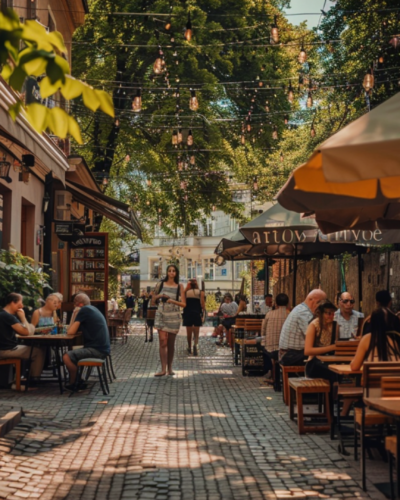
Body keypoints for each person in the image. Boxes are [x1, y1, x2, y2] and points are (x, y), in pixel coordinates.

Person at [64, 293, 110, 390]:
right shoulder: (93, 309)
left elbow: (70, 332)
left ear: (79, 304)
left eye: (74, 304)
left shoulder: (84, 310)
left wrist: (74, 314)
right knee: (74, 354)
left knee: (67, 356)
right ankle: (78, 380)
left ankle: (75, 382)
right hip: (103, 348)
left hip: (97, 350)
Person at [0, 293, 45, 381]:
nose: (22, 306)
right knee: (38, 352)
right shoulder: (8, 317)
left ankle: (24, 378)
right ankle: (33, 380)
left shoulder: (3, 314)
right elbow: (26, 333)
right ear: (13, 302)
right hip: (6, 350)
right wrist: (23, 318)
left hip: (5, 348)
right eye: (20, 303)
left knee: (31, 349)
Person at [152, 265, 186, 377]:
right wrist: (160, 295)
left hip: (173, 316)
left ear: (176, 273)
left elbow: (184, 304)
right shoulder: (160, 284)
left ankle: (170, 368)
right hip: (161, 314)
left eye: (173, 271)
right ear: (167, 272)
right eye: (169, 271)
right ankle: (162, 369)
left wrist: (172, 300)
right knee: (163, 341)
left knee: (171, 343)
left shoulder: (179, 286)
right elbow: (153, 300)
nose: (171, 273)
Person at [279, 289, 327, 366]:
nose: (322, 306)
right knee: (324, 361)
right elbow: (315, 337)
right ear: (311, 299)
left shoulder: (301, 308)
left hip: (291, 353)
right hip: (291, 355)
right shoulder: (303, 312)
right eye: (320, 302)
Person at [350, 307, 400, 373]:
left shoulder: (366, 339)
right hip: (393, 382)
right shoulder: (395, 339)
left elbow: (354, 367)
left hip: (373, 382)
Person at [260, 293, 290, 390]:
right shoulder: (290, 314)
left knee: (272, 356)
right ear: (288, 303)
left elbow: (263, 331)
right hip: (286, 348)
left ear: (276, 303)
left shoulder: (269, 314)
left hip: (271, 348)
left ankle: (274, 377)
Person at [304, 300, 338, 383]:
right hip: (314, 363)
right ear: (320, 314)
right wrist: (331, 347)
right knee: (334, 373)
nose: (331, 316)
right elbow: (307, 351)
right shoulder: (314, 325)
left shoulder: (335, 325)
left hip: (329, 360)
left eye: (333, 313)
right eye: (328, 313)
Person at [183, 278, 205, 356]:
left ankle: (189, 347)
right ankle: (195, 344)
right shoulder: (200, 292)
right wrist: (203, 314)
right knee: (196, 332)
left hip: (187, 313)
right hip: (197, 313)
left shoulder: (185, 292)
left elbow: (183, 303)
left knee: (189, 333)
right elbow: (202, 305)